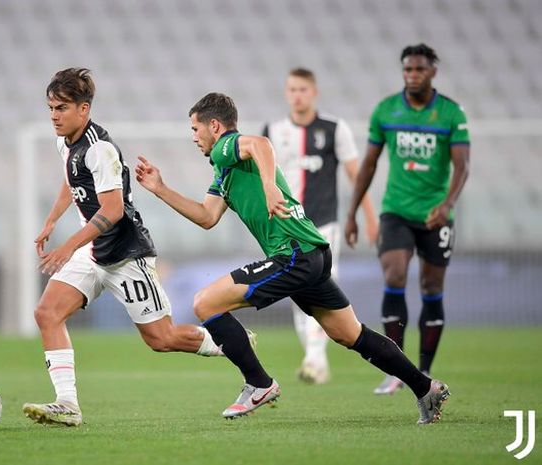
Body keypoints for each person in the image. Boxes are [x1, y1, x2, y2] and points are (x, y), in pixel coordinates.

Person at [135, 92, 450, 424]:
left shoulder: (228, 145)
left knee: (205, 303)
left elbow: (260, 144)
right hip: (311, 254)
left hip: (294, 253)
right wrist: (161, 189)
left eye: (195, 129)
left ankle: (259, 384)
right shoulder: (224, 169)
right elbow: (206, 217)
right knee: (350, 334)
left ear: (214, 125)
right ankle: (426, 388)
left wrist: (270, 186)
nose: (194, 138)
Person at [22, 68, 239, 427]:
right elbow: (70, 179)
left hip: (126, 255)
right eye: (51, 108)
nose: (54, 116)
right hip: (92, 252)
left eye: (61, 108)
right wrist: (52, 220)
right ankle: (68, 404)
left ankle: (231, 342)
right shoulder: (66, 143)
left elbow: (113, 209)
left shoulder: (100, 149)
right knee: (47, 313)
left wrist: (66, 246)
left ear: (84, 109)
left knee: (162, 338)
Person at [345, 44, 470, 395]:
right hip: (396, 211)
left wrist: (447, 204)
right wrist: (353, 211)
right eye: (407, 70)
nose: (412, 75)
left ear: (432, 72)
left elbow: (462, 166)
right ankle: (397, 368)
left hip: (435, 215)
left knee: (431, 287)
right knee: (395, 274)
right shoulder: (386, 111)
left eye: (419, 69)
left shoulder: (450, 114)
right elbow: (368, 164)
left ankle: (424, 369)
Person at [263, 68, 379, 384]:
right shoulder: (271, 132)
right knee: (296, 290)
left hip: (322, 224)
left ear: (314, 92)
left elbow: (357, 175)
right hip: (287, 226)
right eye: (292, 89)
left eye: (302, 89)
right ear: (286, 93)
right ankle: (317, 360)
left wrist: (368, 215)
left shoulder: (333, 129)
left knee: (325, 284)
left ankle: (313, 358)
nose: (297, 95)